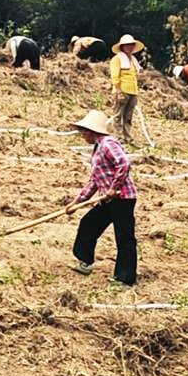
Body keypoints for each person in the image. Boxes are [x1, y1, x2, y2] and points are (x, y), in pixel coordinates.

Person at [65, 109, 138, 286]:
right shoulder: (97, 149)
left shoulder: (108, 143)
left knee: (124, 237)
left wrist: (114, 188)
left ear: (91, 131)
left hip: (122, 199)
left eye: (83, 131)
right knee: (88, 224)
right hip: (107, 200)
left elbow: (123, 163)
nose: (82, 135)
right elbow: (94, 181)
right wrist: (76, 202)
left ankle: (125, 279)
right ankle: (85, 262)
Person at [109, 34, 144, 145]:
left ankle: (128, 137)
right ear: (122, 47)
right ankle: (119, 137)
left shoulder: (133, 60)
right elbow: (115, 76)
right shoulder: (117, 59)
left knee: (128, 117)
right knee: (118, 115)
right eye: (127, 45)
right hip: (122, 91)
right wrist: (119, 91)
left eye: (131, 45)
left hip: (133, 91)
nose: (129, 47)